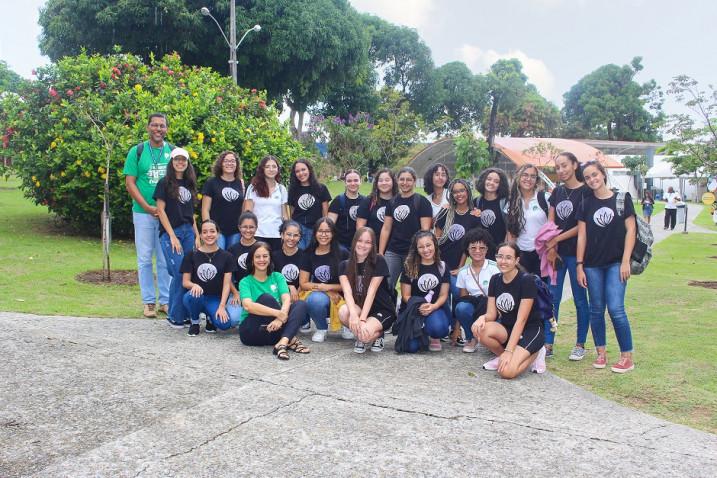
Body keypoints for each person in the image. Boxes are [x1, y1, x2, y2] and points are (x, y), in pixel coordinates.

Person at [577, 161, 637, 373]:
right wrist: (579, 265)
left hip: (615, 263)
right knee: (596, 310)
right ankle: (600, 352)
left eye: (595, 175)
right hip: (592, 265)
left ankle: (626, 356)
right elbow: (582, 236)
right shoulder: (585, 204)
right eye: (587, 177)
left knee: (616, 309)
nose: (592, 180)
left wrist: (625, 261)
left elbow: (631, 230)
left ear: (603, 174)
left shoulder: (622, 198)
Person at [123, 112, 172, 318]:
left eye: (162, 126)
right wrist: (147, 206)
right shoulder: (137, 151)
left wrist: (163, 209)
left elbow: (179, 183)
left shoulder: (174, 152)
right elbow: (130, 183)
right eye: (154, 125)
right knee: (144, 259)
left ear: (166, 129)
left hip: (166, 215)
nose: (158, 129)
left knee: (164, 259)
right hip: (143, 213)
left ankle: (166, 301)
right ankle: (149, 302)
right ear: (148, 127)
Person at [472, 242, 547, 378]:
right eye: (500, 257)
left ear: (516, 260)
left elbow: (521, 320)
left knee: (506, 372)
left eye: (508, 257)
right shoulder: (495, 280)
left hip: (530, 330)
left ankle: (536, 353)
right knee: (479, 329)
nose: (503, 261)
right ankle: (503, 358)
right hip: (509, 329)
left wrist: (509, 351)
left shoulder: (526, 281)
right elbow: (491, 314)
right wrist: (482, 318)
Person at [545, 152, 590, 360]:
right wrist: (551, 246)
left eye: (564, 166)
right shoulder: (557, 192)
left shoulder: (586, 192)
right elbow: (551, 222)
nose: (561, 170)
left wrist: (557, 239)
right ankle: (548, 343)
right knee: (552, 299)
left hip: (578, 254)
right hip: (556, 255)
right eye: (557, 167)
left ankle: (580, 344)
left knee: (580, 300)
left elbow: (582, 227)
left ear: (574, 165)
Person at [238, 242, 310, 360]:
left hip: (275, 331)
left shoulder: (277, 276)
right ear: (251, 259)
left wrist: (279, 319)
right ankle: (291, 340)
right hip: (252, 332)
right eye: (257, 256)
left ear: (270, 258)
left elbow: (286, 299)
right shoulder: (245, 281)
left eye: (265, 256)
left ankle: (282, 343)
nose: (262, 260)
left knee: (300, 304)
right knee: (266, 298)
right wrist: (278, 314)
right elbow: (248, 306)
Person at [154, 147, 200, 328]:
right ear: (171, 162)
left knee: (187, 272)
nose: (180, 163)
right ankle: (175, 315)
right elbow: (161, 211)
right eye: (177, 160)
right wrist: (172, 236)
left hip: (188, 232)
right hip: (171, 233)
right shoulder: (164, 183)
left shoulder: (189, 184)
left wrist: (197, 235)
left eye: (183, 160)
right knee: (180, 272)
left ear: (187, 163)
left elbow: (191, 213)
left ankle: (181, 314)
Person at [338, 227, 397, 353]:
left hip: (381, 309)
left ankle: (379, 335)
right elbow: (347, 293)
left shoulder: (379, 261)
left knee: (364, 337)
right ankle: (362, 332)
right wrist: (354, 316)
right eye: (360, 241)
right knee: (344, 312)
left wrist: (362, 319)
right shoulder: (344, 265)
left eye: (368, 242)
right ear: (354, 242)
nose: (363, 245)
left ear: (372, 245)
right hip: (360, 306)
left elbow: (371, 292)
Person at [181, 220, 242, 336]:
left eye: (212, 231)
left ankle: (210, 318)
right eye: (205, 232)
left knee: (224, 325)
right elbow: (185, 282)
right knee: (195, 294)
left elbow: (226, 284)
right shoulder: (191, 255)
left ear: (218, 234)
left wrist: (222, 306)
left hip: (215, 298)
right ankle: (195, 322)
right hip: (195, 296)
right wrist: (194, 285)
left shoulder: (227, 256)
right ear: (200, 235)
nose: (209, 235)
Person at [379, 167, 433, 290]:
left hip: (414, 252)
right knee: (386, 284)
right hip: (394, 251)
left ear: (414, 182)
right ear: (397, 181)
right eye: (402, 179)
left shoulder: (422, 202)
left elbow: (425, 231)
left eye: (409, 180)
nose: (405, 182)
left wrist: (421, 252)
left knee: (413, 286)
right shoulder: (392, 202)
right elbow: (386, 228)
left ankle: (409, 308)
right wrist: (381, 253)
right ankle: (389, 309)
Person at [299, 217, 350, 342]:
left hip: (343, 296)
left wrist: (329, 287)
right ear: (315, 233)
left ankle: (346, 325)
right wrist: (325, 290)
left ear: (333, 233)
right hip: (320, 294)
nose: (323, 235)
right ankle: (321, 328)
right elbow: (303, 283)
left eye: (327, 231)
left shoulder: (343, 253)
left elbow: (349, 284)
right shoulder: (308, 253)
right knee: (315, 300)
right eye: (320, 231)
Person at [399, 231, 451, 352]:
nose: (426, 250)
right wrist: (419, 305)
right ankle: (421, 331)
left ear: (435, 245)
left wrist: (433, 306)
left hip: (434, 308)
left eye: (428, 245)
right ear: (416, 249)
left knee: (439, 329)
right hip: (414, 309)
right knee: (411, 348)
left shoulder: (442, 267)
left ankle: (433, 336)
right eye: (421, 247)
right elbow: (405, 295)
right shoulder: (409, 266)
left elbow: (444, 295)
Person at [454, 228, 499, 353]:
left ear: (487, 249)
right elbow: (463, 300)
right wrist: (457, 328)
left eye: (482, 248)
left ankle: (490, 337)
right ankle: (471, 338)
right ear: (467, 250)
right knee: (462, 307)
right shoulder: (463, 272)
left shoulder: (496, 268)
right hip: (474, 307)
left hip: (494, 308)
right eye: (473, 248)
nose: (477, 251)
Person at [505, 163, 549, 276]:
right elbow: (510, 232)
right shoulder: (511, 202)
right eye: (525, 175)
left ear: (536, 180)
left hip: (542, 253)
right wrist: (511, 255)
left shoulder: (545, 198)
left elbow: (552, 226)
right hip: (521, 254)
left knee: (541, 290)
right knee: (522, 290)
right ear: (518, 176)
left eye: (533, 176)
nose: (528, 179)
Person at [243, 155, 289, 251]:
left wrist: (287, 232)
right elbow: (247, 213)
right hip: (258, 234)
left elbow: (285, 215)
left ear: (278, 169)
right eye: (267, 167)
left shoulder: (281, 189)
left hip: (277, 235)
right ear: (262, 169)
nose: (271, 169)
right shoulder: (253, 188)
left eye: (274, 166)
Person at [200, 151, 244, 250]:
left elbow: (243, 208)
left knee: (232, 260)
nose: (230, 163)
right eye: (226, 161)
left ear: (236, 165)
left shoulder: (240, 183)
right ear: (221, 163)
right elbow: (205, 209)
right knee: (218, 259)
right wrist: (208, 230)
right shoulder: (211, 183)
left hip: (236, 231)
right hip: (217, 230)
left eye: (233, 161)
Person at [288, 159, 331, 249]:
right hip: (298, 229)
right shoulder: (293, 190)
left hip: (315, 229)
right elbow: (292, 212)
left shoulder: (321, 188)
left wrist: (324, 230)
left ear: (309, 170)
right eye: (297, 171)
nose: (301, 173)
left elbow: (325, 213)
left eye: (303, 169)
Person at [473, 167, 510, 260]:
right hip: (481, 253)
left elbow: (510, 229)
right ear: (483, 180)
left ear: (500, 185)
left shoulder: (505, 203)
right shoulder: (476, 202)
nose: (491, 183)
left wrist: (504, 251)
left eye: (496, 181)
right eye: (489, 179)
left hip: (500, 253)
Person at [328, 169, 365, 250]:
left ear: (360, 181)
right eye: (349, 181)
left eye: (356, 180)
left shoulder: (365, 201)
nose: (353, 183)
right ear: (344, 183)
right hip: (341, 245)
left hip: (360, 244)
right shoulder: (338, 200)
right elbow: (329, 225)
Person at [356, 168, 397, 240]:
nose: (384, 183)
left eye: (387, 180)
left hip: (394, 247)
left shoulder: (398, 201)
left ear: (393, 182)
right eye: (380, 180)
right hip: (372, 245)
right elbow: (360, 226)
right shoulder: (368, 201)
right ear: (376, 183)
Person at [227, 212, 258, 290]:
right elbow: (228, 277)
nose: (248, 230)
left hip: (258, 289)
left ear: (256, 228)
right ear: (239, 227)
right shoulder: (232, 250)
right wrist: (235, 293)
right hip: (238, 290)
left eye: (251, 227)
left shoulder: (261, 247)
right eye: (244, 227)